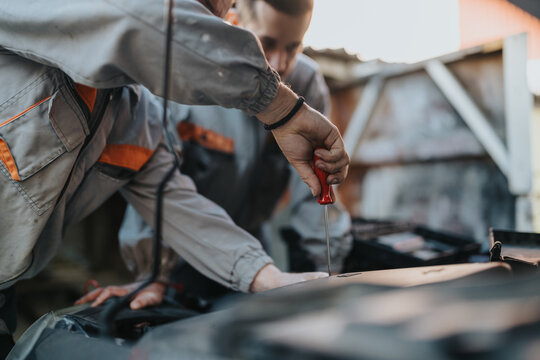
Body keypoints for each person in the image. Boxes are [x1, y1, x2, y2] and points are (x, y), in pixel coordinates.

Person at [0, 0, 349, 356]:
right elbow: (143, 18)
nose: (220, 8)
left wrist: (268, 277)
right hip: (178, 270)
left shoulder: (134, 119)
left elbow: (174, 203)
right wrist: (281, 108)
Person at [77, 0, 353, 311]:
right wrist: (153, 273)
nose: (281, 62)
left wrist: (328, 273)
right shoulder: (178, 79)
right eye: (267, 43)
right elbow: (154, 181)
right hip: (178, 255)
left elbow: (315, 194)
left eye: (294, 47)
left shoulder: (306, 85)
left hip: (253, 254)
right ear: (232, 22)